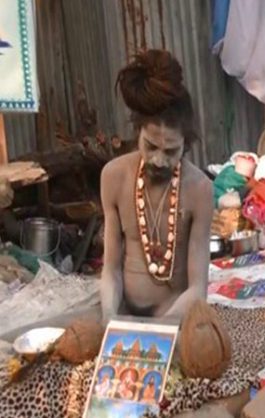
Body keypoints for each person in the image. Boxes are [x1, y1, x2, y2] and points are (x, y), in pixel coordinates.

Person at [100, 49, 213, 320]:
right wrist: (109, 316)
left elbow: (198, 288)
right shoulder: (113, 176)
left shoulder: (200, 190)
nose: (159, 160)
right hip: (123, 311)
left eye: (170, 151)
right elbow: (111, 269)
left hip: (175, 316)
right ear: (137, 131)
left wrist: (161, 330)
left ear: (186, 143)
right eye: (150, 146)